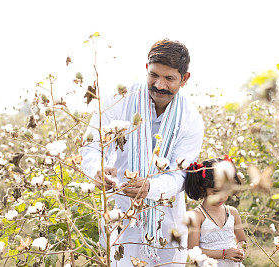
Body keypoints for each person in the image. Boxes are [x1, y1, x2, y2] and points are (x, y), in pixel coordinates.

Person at [80, 39, 204, 266]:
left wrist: (150, 188)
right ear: (147, 68)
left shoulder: (191, 120)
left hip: (165, 220)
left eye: (169, 78)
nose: (160, 85)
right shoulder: (118, 100)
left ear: (184, 79)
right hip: (120, 211)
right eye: (154, 75)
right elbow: (90, 146)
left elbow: (181, 175)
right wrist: (96, 170)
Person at [184, 157, 247, 266]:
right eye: (216, 192)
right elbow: (192, 250)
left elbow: (242, 240)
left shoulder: (232, 213)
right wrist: (223, 254)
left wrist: (240, 250)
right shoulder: (197, 216)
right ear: (203, 189)